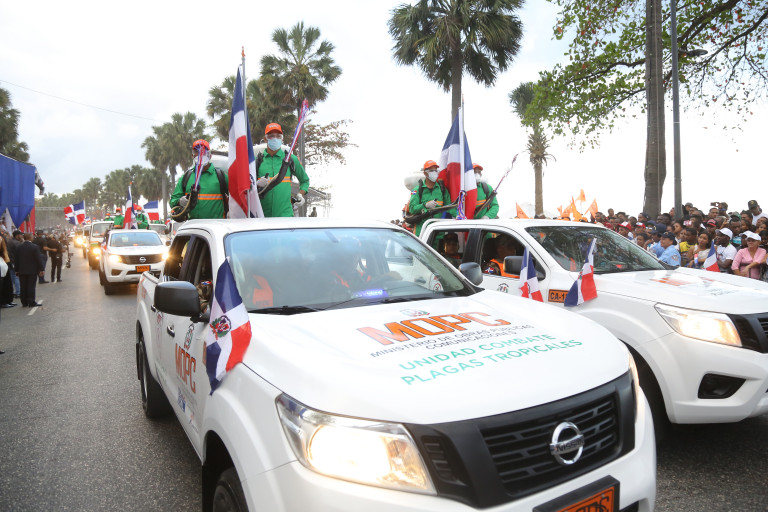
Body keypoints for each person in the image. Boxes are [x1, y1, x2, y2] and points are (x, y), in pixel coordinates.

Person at [255, 124, 309, 218]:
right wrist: (256, 184)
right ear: (265, 139)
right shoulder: (257, 161)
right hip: (261, 217)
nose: (275, 139)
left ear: (282, 139)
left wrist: (301, 194)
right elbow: (246, 187)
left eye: (278, 136)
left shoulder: (290, 159)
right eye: (271, 136)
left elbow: (305, 180)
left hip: (285, 216)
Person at [170, 139, 230, 220]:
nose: (200, 155)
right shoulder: (186, 177)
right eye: (197, 152)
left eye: (204, 152)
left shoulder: (220, 176)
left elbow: (236, 197)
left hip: (216, 225)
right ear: (192, 156)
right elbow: (172, 201)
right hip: (194, 226)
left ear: (210, 155)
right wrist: (179, 201)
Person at [407, 160, 451, 236]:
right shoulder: (417, 190)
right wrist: (425, 205)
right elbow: (412, 209)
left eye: (436, 170)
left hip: (438, 232)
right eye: (431, 171)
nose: (434, 172)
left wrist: (458, 215)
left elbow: (450, 207)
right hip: (422, 232)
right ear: (425, 173)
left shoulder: (442, 189)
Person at [16, 233, 45, 307]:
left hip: (22, 270)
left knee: (23, 286)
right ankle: (31, 301)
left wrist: (16, 270)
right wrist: (41, 269)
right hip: (32, 270)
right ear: (30, 237)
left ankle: (24, 302)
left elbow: (17, 259)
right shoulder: (34, 247)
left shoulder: (19, 247)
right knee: (31, 286)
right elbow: (38, 259)